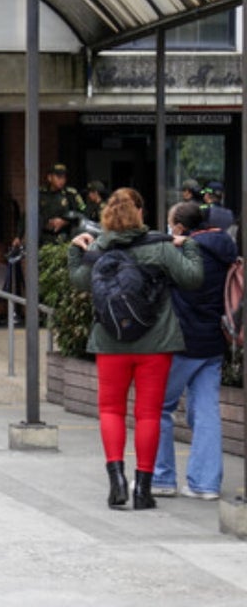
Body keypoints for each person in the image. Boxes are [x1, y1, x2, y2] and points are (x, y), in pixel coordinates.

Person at [68, 187, 202, 510]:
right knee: (148, 414)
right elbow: (193, 278)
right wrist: (191, 246)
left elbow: (79, 280)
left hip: (110, 342)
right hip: (155, 343)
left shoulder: (97, 247)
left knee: (111, 410)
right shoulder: (160, 246)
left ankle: (116, 482)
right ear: (139, 214)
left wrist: (75, 251)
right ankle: (143, 489)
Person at [152, 201, 237, 500]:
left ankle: (161, 478)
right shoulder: (225, 251)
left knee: (159, 406)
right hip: (214, 342)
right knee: (206, 411)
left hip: (181, 341)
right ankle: (205, 484)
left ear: (178, 227)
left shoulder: (183, 252)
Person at [39, 163, 85, 245]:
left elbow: (83, 213)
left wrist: (64, 221)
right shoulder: (41, 194)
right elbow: (30, 216)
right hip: (43, 238)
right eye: (58, 177)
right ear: (50, 178)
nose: (62, 180)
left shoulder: (70, 194)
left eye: (64, 177)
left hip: (65, 238)